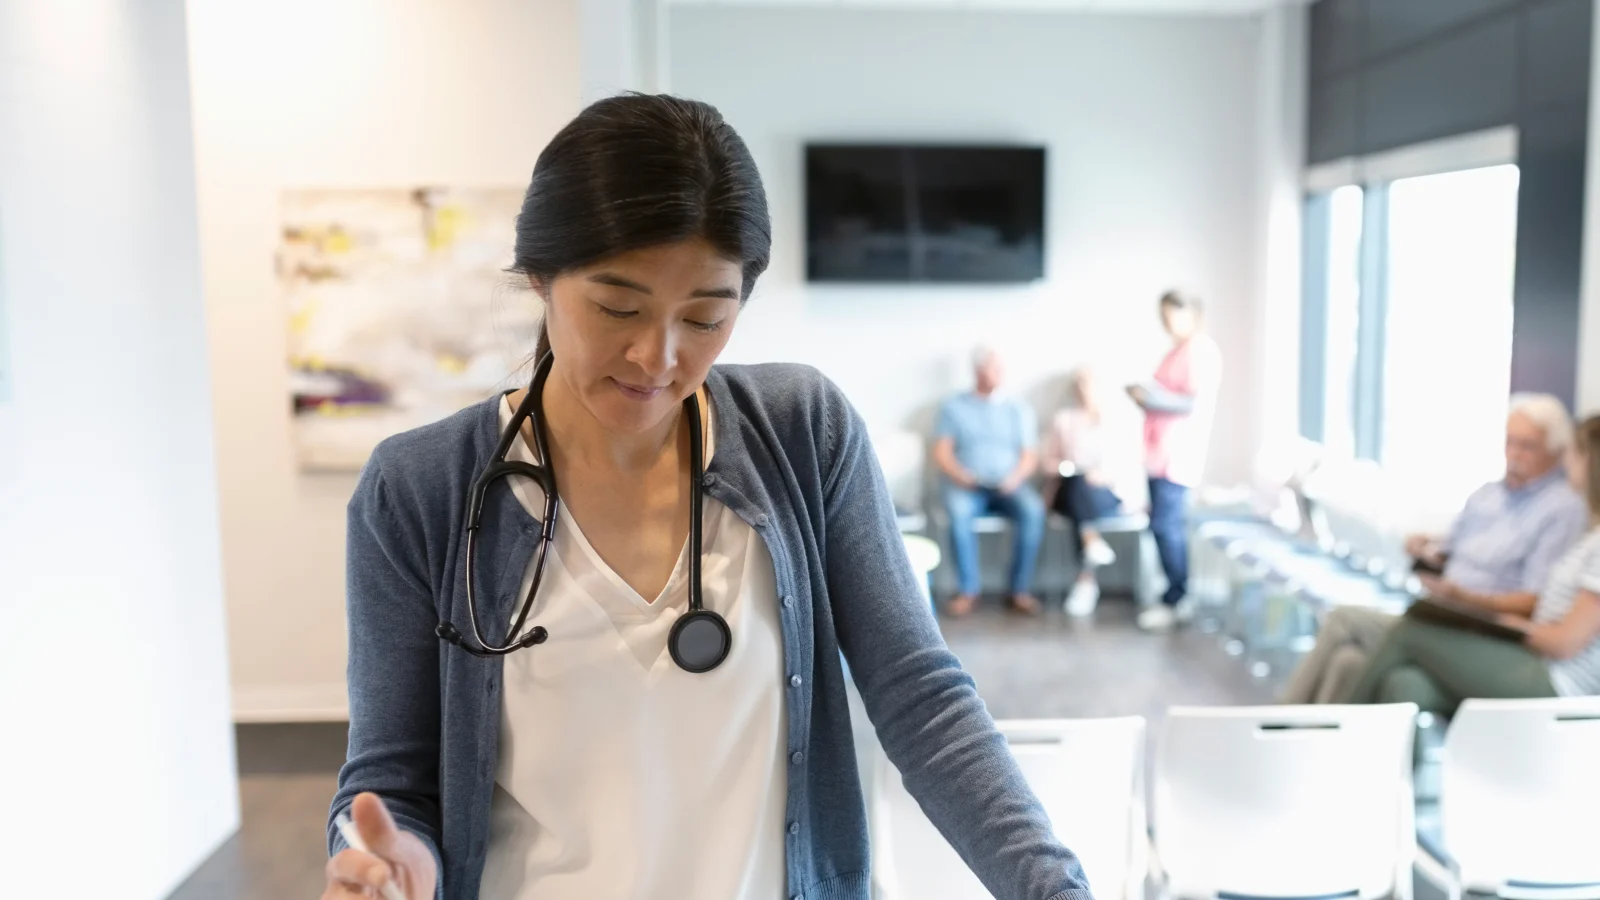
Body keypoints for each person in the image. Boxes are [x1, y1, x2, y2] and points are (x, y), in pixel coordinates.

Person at [321, 95, 1091, 900]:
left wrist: (1053, 887)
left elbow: (922, 700)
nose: (657, 355)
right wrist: (391, 863)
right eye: (618, 306)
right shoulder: (420, 490)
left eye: (705, 317)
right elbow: (391, 780)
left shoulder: (802, 434)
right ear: (541, 276)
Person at [1282, 394, 1589, 704]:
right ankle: (1311, 740)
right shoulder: (1487, 495)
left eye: (1527, 446)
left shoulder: (1562, 510)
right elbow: (1450, 548)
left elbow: (1548, 619)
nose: (1514, 454)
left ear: (1557, 453)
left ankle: (1286, 723)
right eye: (1510, 442)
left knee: (1352, 621)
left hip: (1480, 627)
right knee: (1364, 668)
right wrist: (1429, 549)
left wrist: (1473, 603)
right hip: (1445, 611)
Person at [1127, 290, 1222, 631]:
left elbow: (1189, 403)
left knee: (1167, 527)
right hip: (1159, 454)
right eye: (1163, 315)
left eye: (1172, 314)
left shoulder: (1200, 352)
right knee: (1162, 525)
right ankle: (1174, 593)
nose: (1167, 322)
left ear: (1192, 313)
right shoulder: (1177, 352)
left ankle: (1176, 596)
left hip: (1176, 455)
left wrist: (1150, 399)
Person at [933, 347, 1047, 617]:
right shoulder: (953, 406)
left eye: (1000, 368)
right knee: (958, 513)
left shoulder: (1017, 409)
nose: (998, 374)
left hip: (1010, 485)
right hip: (967, 486)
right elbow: (941, 452)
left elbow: (1030, 455)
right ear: (977, 371)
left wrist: (1014, 478)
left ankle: (1018, 591)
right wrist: (962, 476)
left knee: (1033, 510)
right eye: (992, 368)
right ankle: (967, 591)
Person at [1041, 366, 1132, 617]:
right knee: (1077, 482)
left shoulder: (1115, 422)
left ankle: (1086, 578)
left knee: (1083, 496)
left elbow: (1127, 465)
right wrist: (1068, 468)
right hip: (1068, 491)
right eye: (1079, 384)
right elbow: (1047, 463)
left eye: (1088, 383)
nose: (1084, 389)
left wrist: (1101, 476)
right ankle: (1090, 547)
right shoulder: (1064, 420)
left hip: (1104, 494)